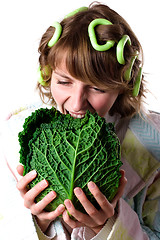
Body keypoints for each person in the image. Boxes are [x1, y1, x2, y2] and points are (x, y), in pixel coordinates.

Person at [4, 2, 160, 240]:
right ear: (47, 75)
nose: (77, 104)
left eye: (97, 88)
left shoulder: (153, 146)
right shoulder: (14, 137)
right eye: (64, 82)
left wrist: (108, 227)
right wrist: (39, 222)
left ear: (124, 86)